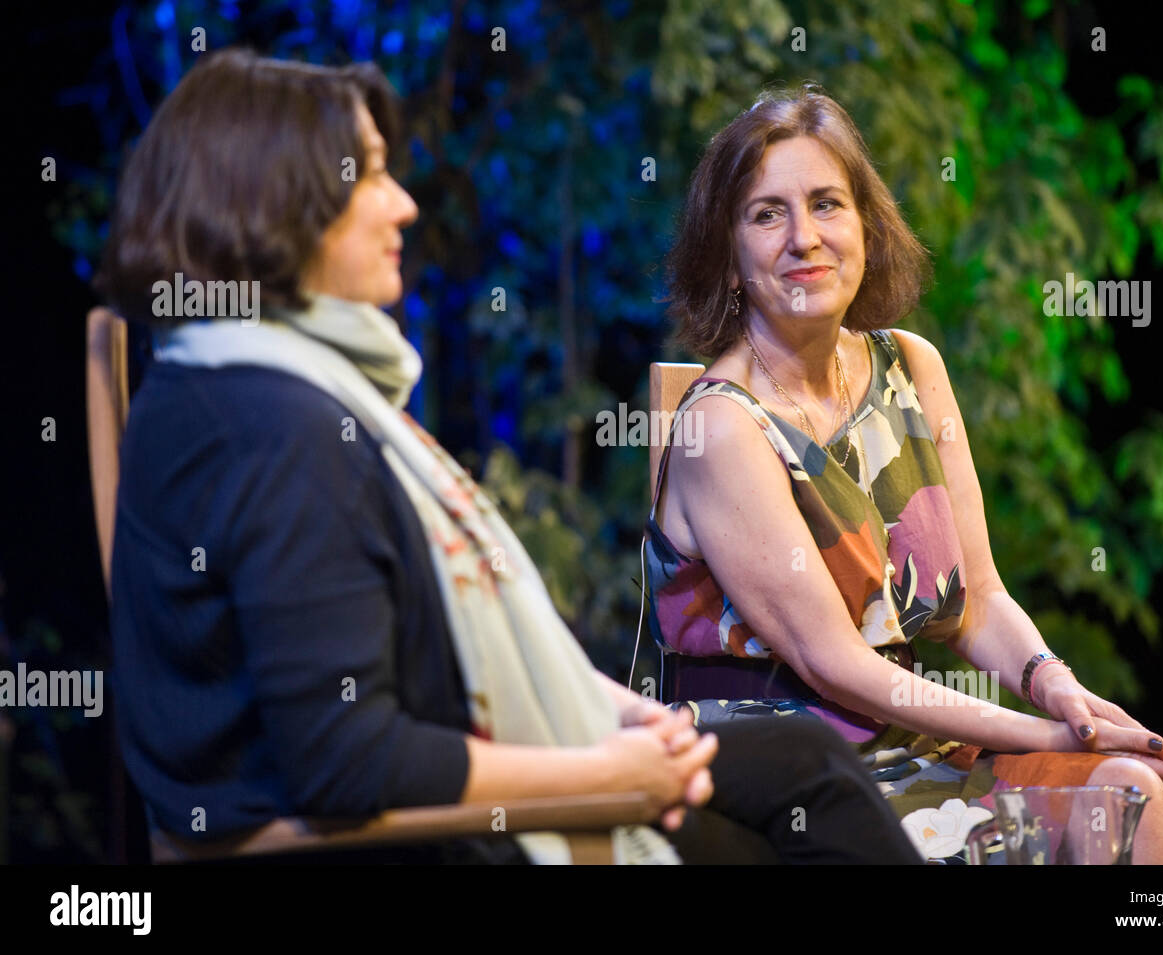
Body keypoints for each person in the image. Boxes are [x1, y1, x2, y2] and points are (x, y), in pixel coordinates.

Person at [94, 49, 921, 865]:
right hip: (404, 834)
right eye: (370, 176)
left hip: (450, 775)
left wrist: (621, 718)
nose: (403, 206)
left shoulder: (246, 382)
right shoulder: (273, 426)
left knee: (804, 766)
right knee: (808, 798)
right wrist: (602, 773)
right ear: (274, 201)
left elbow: (414, 663)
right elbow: (346, 758)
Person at [647, 84, 1163, 864]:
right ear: (731, 254)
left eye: (827, 204)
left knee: (1127, 789)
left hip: (908, 747)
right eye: (766, 213)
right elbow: (835, 664)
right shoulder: (722, 424)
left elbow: (980, 599)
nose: (804, 238)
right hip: (784, 780)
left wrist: (1064, 693)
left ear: (866, 227)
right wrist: (1049, 736)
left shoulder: (913, 367)